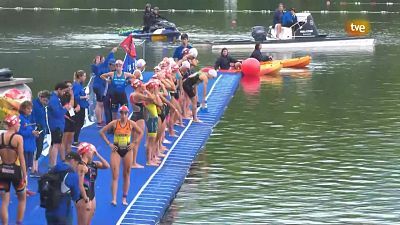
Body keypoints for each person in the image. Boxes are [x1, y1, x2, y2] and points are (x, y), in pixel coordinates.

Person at [99, 106, 143, 206]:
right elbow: (101, 132)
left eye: (125, 113)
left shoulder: (131, 124)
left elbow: (141, 132)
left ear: (128, 114)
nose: (123, 115)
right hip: (116, 150)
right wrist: (109, 144)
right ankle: (114, 199)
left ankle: (124, 198)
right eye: (121, 113)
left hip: (127, 150)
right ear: (119, 113)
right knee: (115, 175)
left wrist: (134, 143)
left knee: (126, 174)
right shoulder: (115, 123)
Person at [0, 115, 27, 225]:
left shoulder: (0, 136)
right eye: (18, 123)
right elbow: (21, 158)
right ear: (14, 124)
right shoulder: (18, 138)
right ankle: (18, 223)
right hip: (16, 172)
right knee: (22, 199)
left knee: (5, 201)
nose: (19, 125)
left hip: (2, 171)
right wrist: (25, 175)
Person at [76, 142, 109, 225]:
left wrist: (98, 154)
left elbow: (107, 166)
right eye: (92, 152)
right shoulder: (81, 166)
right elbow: (80, 184)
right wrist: (85, 197)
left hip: (91, 195)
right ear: (87, 152)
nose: (93, 154)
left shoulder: (94, 164)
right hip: (83, 198)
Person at [44, 152, 81, 225]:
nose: (77, 167)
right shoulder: (72, 175)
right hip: (63, 209)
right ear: (73, 161)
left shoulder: (53, 169)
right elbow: (75, 196)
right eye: (77, 164)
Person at [91, 47, 117, 127]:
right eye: (103, 58)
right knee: (99, 104)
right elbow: (109, 59)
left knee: (101, 104)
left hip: (98, 86)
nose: (105, 59)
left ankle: (101, 120)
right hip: (99, 87)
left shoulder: (96, 67)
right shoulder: (99, 66)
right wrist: (112, 51)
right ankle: (99, 121)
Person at [48, 82, 72, 167]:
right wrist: (65, 109)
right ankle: (53, 165)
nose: (64, 93)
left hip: (57, 124)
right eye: (63, 91)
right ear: (59, 90)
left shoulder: (55, 98)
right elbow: (57, 113)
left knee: (53, 144)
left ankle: (51, 163)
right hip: (56, 125)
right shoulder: (53, 99)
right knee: (56, 145)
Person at [18, 101, 39, 196]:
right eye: (28, 108)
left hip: (30, 147)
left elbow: (28, 132)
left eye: (31, 108)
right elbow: (20, 133)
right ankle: (22, 188)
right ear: (23, 109)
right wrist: (31, 133)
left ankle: (24, 187)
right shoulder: (20, 119)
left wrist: (35, 134)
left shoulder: (27, 119)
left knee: (26, 169)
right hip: (24, 148)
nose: (30, 110)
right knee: (23, 169)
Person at [31, 90, 50, 177]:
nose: (46, 103)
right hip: (37, 130)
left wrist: (45, 128)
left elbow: (43, 118)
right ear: (41, 97)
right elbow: (33, 118)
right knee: (36, 150)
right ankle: (33, 170)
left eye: (47, 101)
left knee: (39, 148)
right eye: (45, 100)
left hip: (41, 129)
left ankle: (35, 169)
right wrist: (35, 128)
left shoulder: (41, 105)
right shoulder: (34, 105)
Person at [72, 70, 89, 146]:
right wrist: (84, 97)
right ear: (80, 77)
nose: (85, 78)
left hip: (81, 106)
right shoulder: (77, 86)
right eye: (84, 76)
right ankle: (75, 141)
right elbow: (75, 96)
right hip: (79, 107)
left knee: (79, 123)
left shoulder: (79, 85)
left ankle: (75, 139)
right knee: (78, 123)